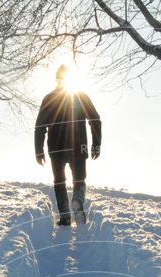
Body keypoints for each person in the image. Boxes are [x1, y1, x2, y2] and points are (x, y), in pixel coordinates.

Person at [35, 65, 102, 226]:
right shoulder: (81, 96)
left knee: (59, 181)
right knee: (79, 179)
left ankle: (65, 216)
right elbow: (95, 120)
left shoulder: (48, 98)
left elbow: (40, 127)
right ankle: (77, 201)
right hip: (78, 147)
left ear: (57, 79)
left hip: (56, 148)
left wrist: (39, 150)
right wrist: (96, 144)